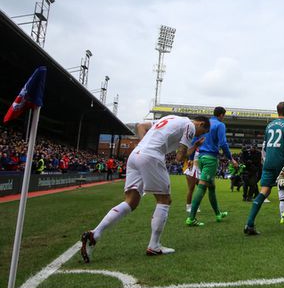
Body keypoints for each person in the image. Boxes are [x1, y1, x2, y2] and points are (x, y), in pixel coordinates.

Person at [80, 115, 210, 261]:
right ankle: (154, 245)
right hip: (152, 156)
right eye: (203, 131)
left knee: (131, 201)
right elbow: (180, 157)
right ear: (201, 123)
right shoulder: (190, 126)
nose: (200, 134)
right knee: (164, 200)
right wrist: (193, 147)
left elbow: (140, 126)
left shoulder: (169, 118)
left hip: (136, 154)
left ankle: (95, 234)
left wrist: (145, 146)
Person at [244, 101, 284, 234]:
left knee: (264, 191)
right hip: (282, 163)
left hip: (268, 162)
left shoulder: (269, 126)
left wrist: (266, 160)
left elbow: (265, 145)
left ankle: (249, 224)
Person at [186, 107, 237, 226]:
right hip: (210, 159)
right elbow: (223, 143)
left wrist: (190, 159)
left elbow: (194, 140)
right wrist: (231, 159)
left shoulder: (206, 124)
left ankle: (218, 214)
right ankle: (191, 218)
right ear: (221, 115)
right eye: (224, 116)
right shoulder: (220, 125)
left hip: (201, 158)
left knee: (212, 187)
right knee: (202, 187)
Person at [183, 141, 201, 213]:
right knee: (191, 188)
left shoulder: (202, 149)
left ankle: (196, 205)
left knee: (201, 189)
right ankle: (188, 206)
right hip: (192, 169)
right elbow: (188, 156)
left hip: (199, 170)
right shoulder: (193, 147)